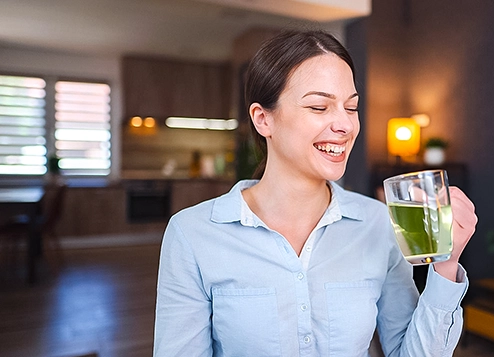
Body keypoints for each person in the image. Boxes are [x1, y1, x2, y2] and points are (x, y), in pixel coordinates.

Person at [154, 29, 477, 357]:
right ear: (263, 119)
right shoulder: (193, 235)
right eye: (320, 107)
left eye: (351, 108)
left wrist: (445, 266)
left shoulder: (379, 223)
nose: (345, 125)